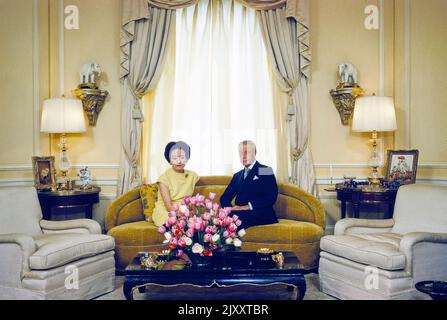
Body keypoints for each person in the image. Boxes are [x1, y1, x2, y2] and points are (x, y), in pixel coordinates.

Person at [220, 140, 278, 229]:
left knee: (236, 219)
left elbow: (271, 197)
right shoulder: (237, 175)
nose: (243, 156)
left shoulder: (265, 170)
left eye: (247, 152)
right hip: (239, 213)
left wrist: (247, 207)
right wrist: (229, 209)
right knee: (218, 219)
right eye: (241, 153)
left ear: (254, 153)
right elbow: (224, 197)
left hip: (261, 213)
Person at [152, 141, 200, 227]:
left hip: (184, 209)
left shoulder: (192, 175)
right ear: (169, 160)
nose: (179, 161)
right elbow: (168, 206)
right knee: (173, 221)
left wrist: (188, 213)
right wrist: (182, 215)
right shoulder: (164, 178)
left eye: (182, 157)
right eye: (175, 158)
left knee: (197, 224)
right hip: (166, 210)